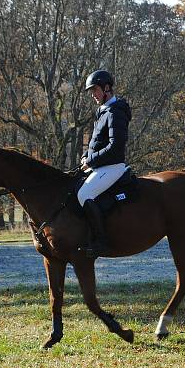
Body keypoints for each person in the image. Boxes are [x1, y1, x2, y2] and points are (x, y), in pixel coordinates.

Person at [77, 69, 131, 257]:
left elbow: (115, 147)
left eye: (95, 90)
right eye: (91, 91)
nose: (93, 95)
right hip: (101, 166)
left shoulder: (116, 113)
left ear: (107, 88)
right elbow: (96, 142)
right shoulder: (103, 111)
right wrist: (86, 156)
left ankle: (101, 242)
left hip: (113, 167)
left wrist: (91, 160)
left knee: (84, 194)